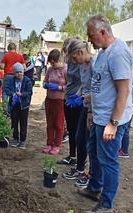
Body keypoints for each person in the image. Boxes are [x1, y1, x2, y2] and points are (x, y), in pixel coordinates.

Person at [78, 14, 133, 213]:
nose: (89, 39)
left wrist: (113, 123)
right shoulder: (102, 52)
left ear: (102, 32)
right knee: (93, 152)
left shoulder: (118, 53)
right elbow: (99, 84)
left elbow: (124, 91)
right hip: (99, 116)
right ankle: (94, 188)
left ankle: (106, 204)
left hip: (111, 120)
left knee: (108, 161)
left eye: (91, 35)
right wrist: (92, 111)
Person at [62, 38, 93, 190]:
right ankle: (79, 169)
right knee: (79, 138)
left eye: (74, 57)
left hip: (93, 109)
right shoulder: (82, 65)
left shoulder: (94, 64)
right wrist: (77, 94)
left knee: (91, 143)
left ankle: (90, 175)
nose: (73, 61)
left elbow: (98, 87)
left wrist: (85, 99)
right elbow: (84, 85)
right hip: (85, 105)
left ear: (80, 52)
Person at [57, 38, 83, 166]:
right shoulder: (70, 61)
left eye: (67, 52)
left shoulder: (81, 62)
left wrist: (78, 96)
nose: (66, 55)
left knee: (79, 132)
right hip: (68, 99)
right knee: (71, 130)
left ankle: (80, 160)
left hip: (78, 101)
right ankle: (72, 157)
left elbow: (86, 82)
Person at [42, 49, 67, 155]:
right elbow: (44, 82)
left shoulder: (65, 70)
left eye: (53, 62)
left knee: (58, 124)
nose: (52, 64)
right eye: (51, 63)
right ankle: (49, 143)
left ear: (58, 60)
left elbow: (70, 87)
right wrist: (46, 85)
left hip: (60, 101)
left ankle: (57, 145)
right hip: (49, 100)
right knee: (50, 123)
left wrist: (58, 87)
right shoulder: (50, 70)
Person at [5, 63, 33, 149]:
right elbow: (7, 89)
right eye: (17, 72)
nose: (19, 74)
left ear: (23, 72)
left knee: (23, 123)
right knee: (14, 122)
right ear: (14, 73)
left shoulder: (27, 80)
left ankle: (23, 141)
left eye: (20, 72)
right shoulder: (11, 80)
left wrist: (22, 94)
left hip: (23, 105)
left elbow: (29, 92)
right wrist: (13, 94)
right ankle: (15, 139)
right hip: (14, 104)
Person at [118, 68, 133, 159]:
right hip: (130, 110)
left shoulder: (130, 87)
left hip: (126, 111)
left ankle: (124, 151)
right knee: (126, 131)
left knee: (124, 132)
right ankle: (123, 150)